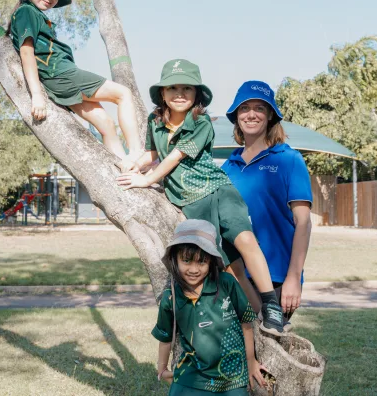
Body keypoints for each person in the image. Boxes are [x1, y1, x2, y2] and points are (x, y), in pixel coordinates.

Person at [117, 59, 285, 335]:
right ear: (162, 93)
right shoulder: (155, 121)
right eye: (172, 87)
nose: (179, 93)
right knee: (230, 268)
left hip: (217, 192)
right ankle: (259, 322)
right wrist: (137, 165)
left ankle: (272, 306)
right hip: (191, 204)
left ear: (197, 95)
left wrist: (147, 179)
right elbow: (154, 154)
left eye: (187, 88)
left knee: (244, 239)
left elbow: (175, 155)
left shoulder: (201, 121)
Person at [8, 0, 142, 168]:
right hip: (61, 75)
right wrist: (36, 95)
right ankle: (136, 153)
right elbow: (27, 52)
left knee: (106, 124)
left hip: (61, 78)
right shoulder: (27, 12)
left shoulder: (33, 14)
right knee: (123, 94)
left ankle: (123, 167)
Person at [222, 80, 312, 329]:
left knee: (270, 355)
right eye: (244, 108)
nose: (251, 114)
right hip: (236, 275)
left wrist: (293, 277)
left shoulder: (289, 160)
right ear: (236, 116)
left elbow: (303, 222)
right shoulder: (227, 168)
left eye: (259, 108)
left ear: (270, 115)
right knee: (241, 355)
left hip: (276, 278)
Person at [152, 219, 267, 395]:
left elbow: (246, 324)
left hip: (233, 377)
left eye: (201, 262)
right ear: (175, 259)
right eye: (186, 261)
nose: (193, 269)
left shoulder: (227, 283)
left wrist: (251, 362)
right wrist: (162, 369)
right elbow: (165, 337)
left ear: (211, 261)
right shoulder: (171, 297)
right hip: (190, 376)